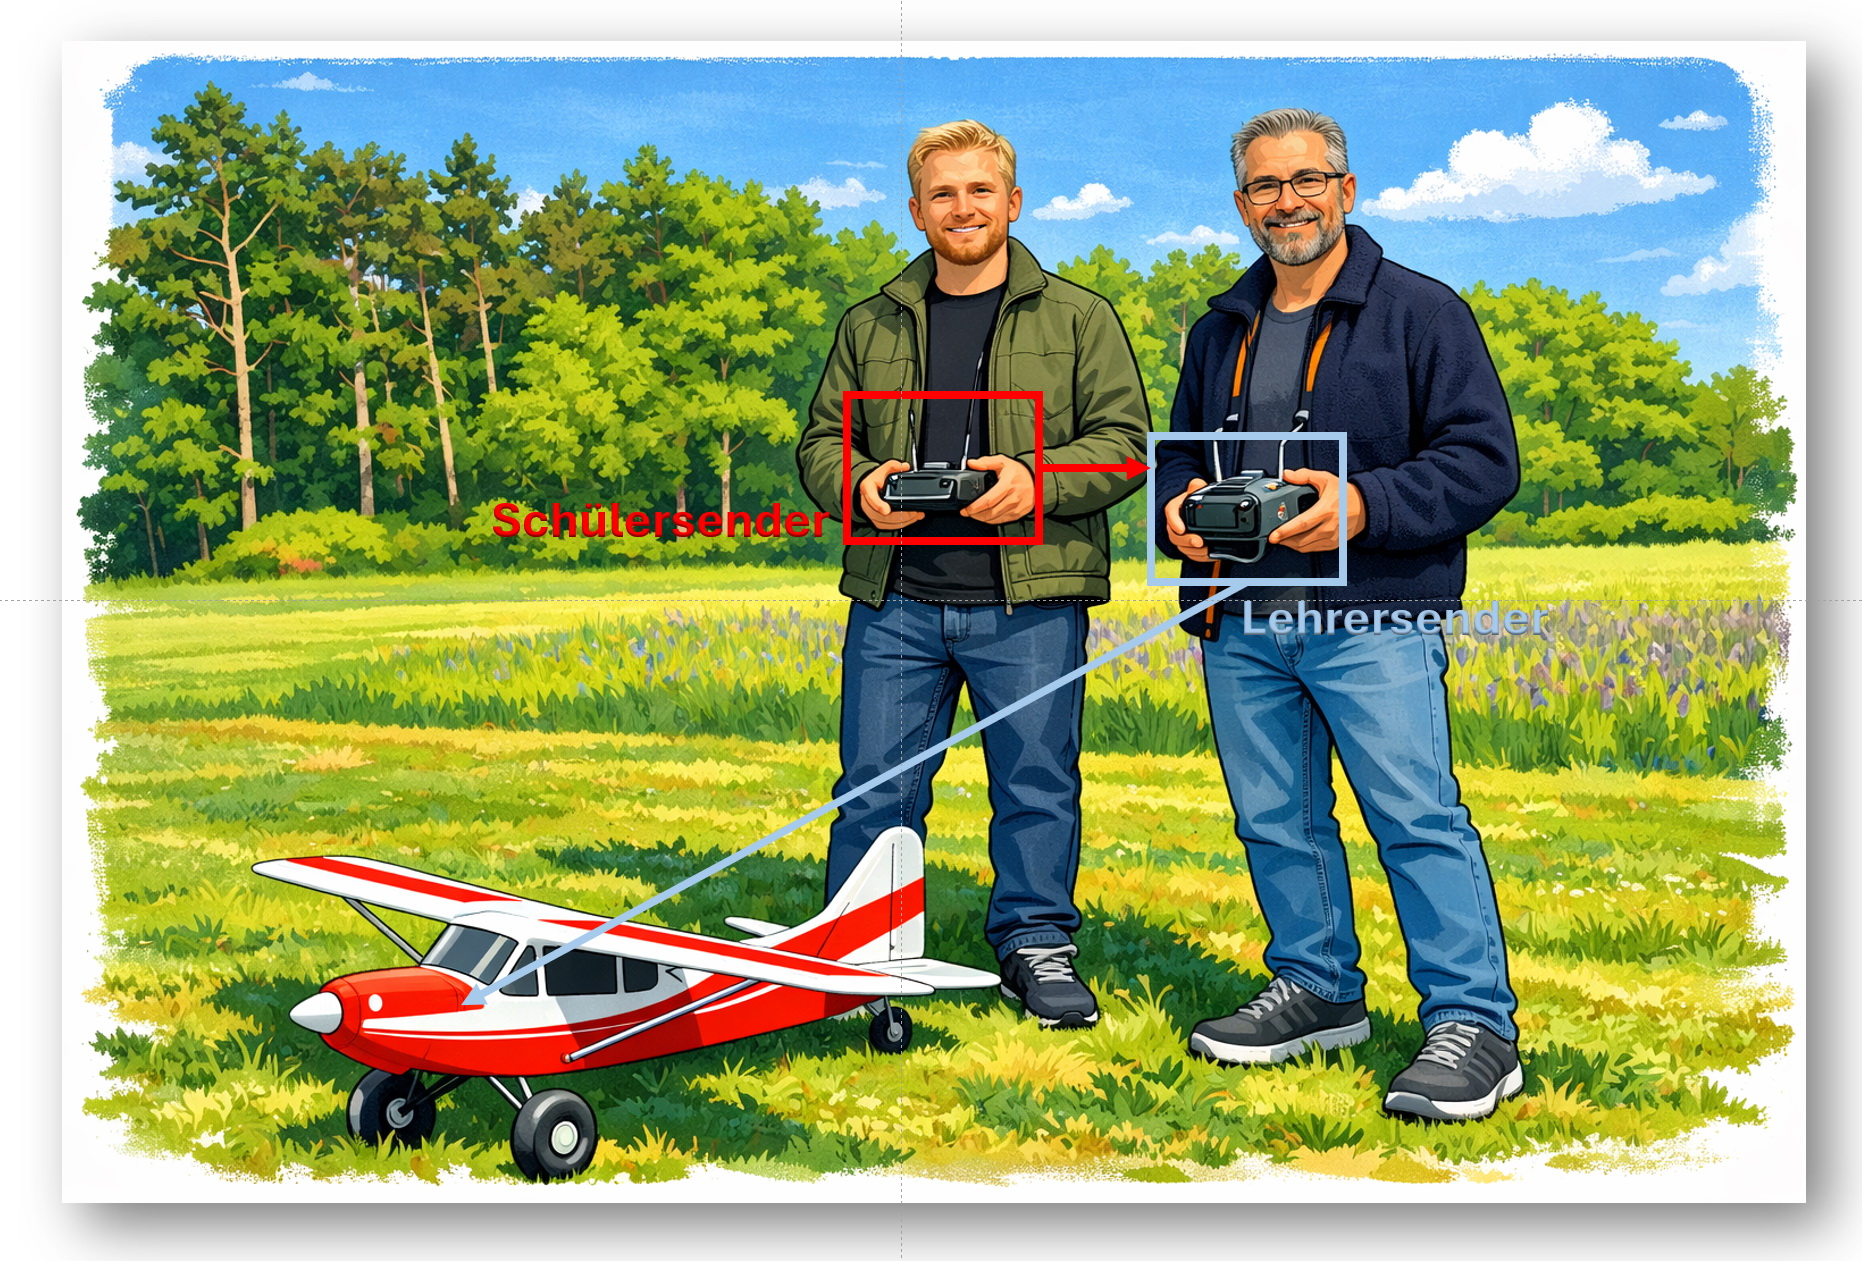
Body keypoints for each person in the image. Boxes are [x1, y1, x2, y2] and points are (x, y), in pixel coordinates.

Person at [1153, 107, 1525, 1121]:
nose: (1287, 202)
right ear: (1242, 206)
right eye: (1265, 187)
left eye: (1305, 180)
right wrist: (1177, 512)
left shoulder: (1421, 311)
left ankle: (1473, 1025)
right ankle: (1317, 989)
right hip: (1238, 617)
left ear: (1344, 191)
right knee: (1274, 819)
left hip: (1371, 618)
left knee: (1413, 817)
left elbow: (1483, 461)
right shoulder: (1216, 326)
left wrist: (1364, 507)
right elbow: (1179, 458)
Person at [797, 119, 1148, 1029]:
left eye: (980, 191)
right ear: (916, 211)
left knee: (1036, 781)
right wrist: (861, 484)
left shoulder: (1082, 317)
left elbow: (1125, 445)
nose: (963, 208)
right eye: (943, 194)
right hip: (898, 599)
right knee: (874, 782)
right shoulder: (869, 321)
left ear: (1013, 203)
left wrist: (1039, 480)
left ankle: (1036, 945)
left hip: (1028, 599)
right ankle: (857, 954)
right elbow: (822, 444)